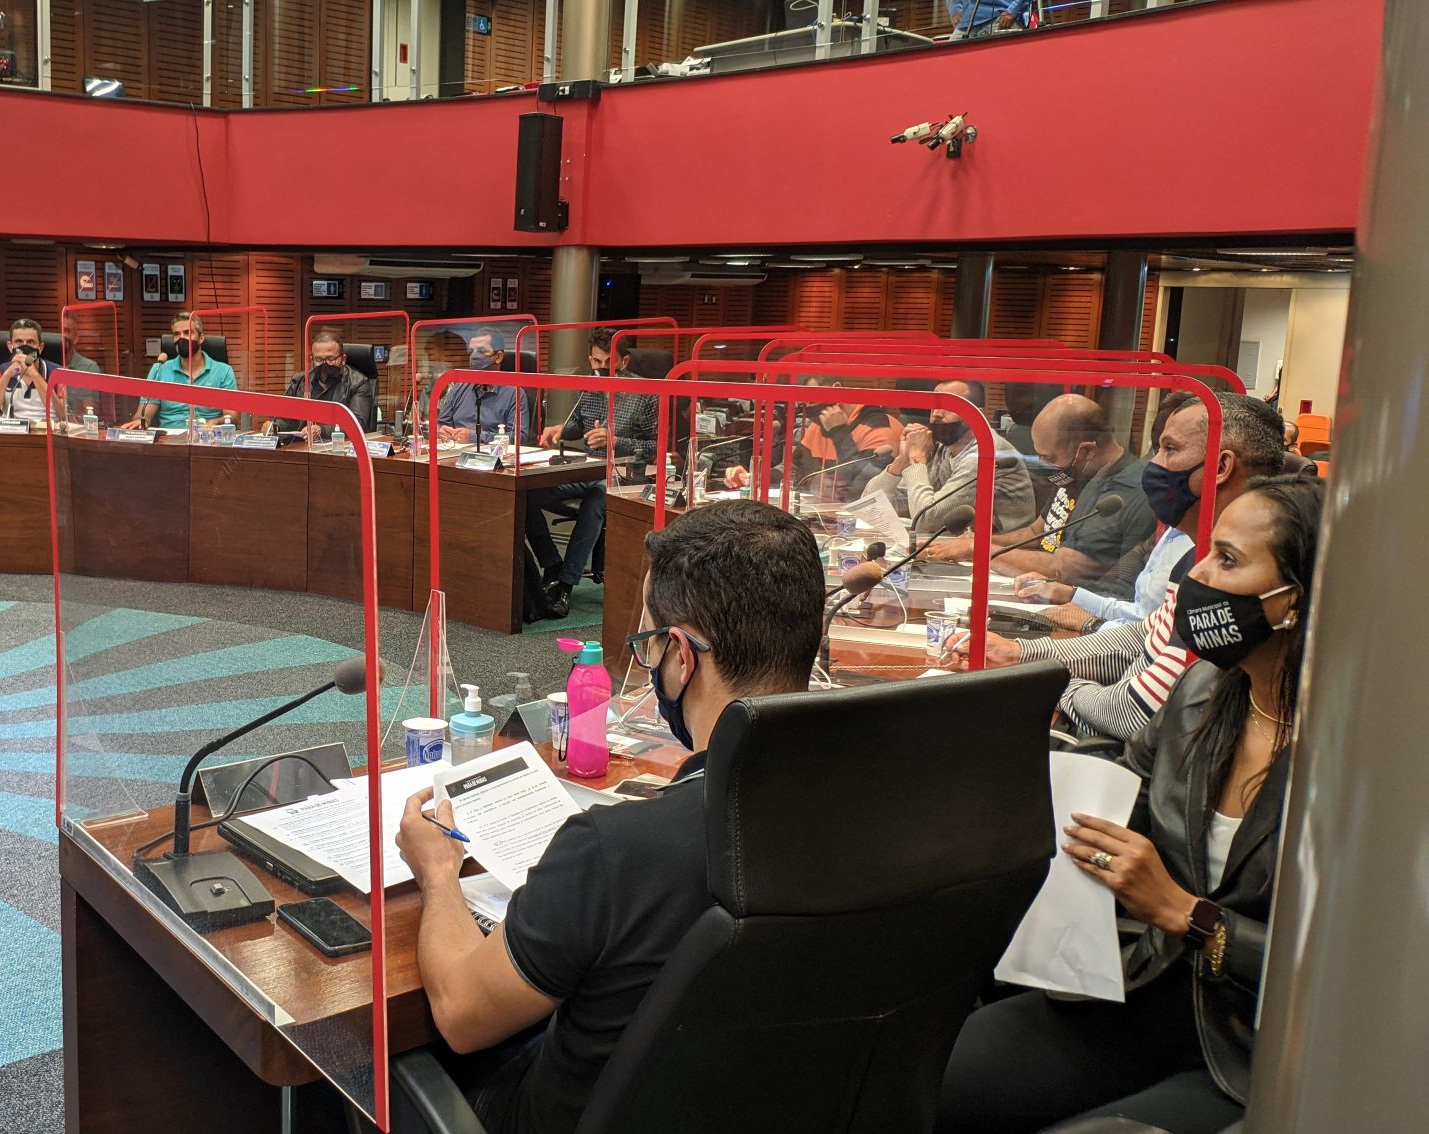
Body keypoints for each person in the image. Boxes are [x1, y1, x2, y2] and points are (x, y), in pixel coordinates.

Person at [394, 500, 825, 1134]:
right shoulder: (891, 802)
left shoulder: (616, 850)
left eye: (649, 645)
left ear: (681, 656)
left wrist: (437, 873)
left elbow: (460, 1014)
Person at [937, 474, 1324, 1134]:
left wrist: (1191, 917)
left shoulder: (1356, 763)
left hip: (1252, 1048)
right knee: (926, 1078)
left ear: (1295, 598)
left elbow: (1350, 973)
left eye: (1228, 560)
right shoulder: (1200, 694)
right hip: (1143, 986)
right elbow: (1118, 806)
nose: (1197, 576)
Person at [957, 394, 1287, 743]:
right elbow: (1142, 637)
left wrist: (1051, 682)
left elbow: (1134, 713)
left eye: (1169, 449)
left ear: (1220, 467)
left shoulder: (1230, 577)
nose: (1154, 463)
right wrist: (1022, 653)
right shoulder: (1197, 556)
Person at [523, 329, 661, 618]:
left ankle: (565, 585)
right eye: (597, 362)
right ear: (590, 360)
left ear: (624, 362)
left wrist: (616, 441)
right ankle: (552, 564)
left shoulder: (645, 394)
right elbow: (577, 426)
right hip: (586, 468)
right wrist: (559, 430)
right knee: (527, 496)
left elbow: (659, 446)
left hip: (624, 475)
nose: (602, 369)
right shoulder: (588, 386)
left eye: (609, 363)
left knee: (597, 500)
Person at [989, 394, 1157, 585]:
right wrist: (981, 541)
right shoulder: (1077, 473)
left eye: (1050, 458)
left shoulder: (1122, 493)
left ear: (1087, 451)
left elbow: (1064, 568)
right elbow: (1037, 532)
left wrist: (980, 551)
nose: (1043, 463)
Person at [863, 378, 1037, 542]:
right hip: (955, 545)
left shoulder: (986, 452)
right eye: (934, 406)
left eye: (948, 407)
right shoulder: (940, 447)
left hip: (997, 551)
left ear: (977, 414)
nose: (937, 414)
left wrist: (916, 459)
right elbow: (870, 506)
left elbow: (926, 520)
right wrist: (902, 460)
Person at [720, 374, 902, 500]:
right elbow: (794, 470)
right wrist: (755, 477)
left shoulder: (879, 426)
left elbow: (862, 486)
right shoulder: (817, 425)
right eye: (804, 404)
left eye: (813, 400)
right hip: (822, 516)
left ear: (836, 389)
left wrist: (839, 433)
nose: (809, 410)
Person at [122, 312, 236, 430]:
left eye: (187, 333)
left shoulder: (223, 371)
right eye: (177, 334)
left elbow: (232, 416)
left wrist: (215, 423)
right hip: (169, 436)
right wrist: (141, 421)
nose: (182, 338)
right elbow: (144, 414)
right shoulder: (159, 369)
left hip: (207, 435)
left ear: (201, 338)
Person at [436, 328, 532, 444]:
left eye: (481, 351)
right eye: (471, 351)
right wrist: (441, 431)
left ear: (498, 357)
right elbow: (440, 424)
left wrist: (475, 437)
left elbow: (519, 437)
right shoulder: (459, 388)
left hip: (494, 453)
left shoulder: (514, 394)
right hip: (454, 452)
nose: (474, 356)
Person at [276, 331, 376, 438]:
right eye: (319, 360)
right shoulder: (300, 381)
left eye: (330, 359)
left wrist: (322, 430)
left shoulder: (358, 382)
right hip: (302, 444)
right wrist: (275, 426)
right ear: (312, 360)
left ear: (343, 359)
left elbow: (358, 424)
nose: (324, 364)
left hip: (340, 445)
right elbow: (286, 418)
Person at [0, 319, 56, 421]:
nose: (25, 346)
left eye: (30, 342)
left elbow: (63, 413)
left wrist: (34, 374)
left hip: (46, 429)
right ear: (10, 347)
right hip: (12, 429)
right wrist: (7, 375)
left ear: (40, 347)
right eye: (19, 342)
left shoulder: (58, 373)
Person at [950, 0, 1035, 39]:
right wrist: (955, 9)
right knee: (951, 63)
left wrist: (1012, 11)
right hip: (966, 23)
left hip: (999, 19)